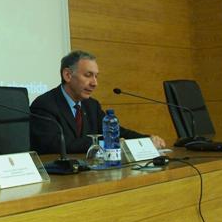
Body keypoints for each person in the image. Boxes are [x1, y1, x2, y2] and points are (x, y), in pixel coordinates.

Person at [29, 50, 166, 155]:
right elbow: (55, 144)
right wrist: (106, 143)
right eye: (88, 75)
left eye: (96, 76)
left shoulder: (91, 105)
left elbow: (115, 132)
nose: (95, 83)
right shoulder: (44, 105)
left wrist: (145, 139)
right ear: (68, 75)